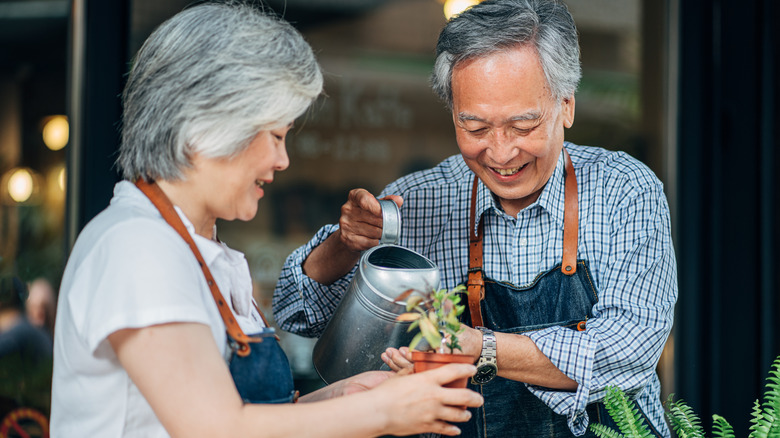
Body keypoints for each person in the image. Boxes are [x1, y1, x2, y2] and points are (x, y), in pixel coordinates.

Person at [50, 3, 482, 437]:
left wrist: (348, 396)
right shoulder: (139, 247)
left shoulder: (190, 248)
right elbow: (217, 429)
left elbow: (242, 413)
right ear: (207, 123)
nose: (282, 160)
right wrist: (385, 411)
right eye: (275, 136)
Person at [273, 0, 678, 436]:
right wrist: (345, 246)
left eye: (523, 126)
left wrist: (481, 348)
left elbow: (630, 348)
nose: (501, 153)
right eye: (476, 128)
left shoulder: (624, 190)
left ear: (566, 107)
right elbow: (298, 316)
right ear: (453, 114)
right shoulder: (420, 200)